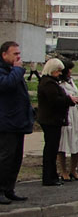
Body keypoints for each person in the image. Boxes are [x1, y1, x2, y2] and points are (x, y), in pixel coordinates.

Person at [0, 41, 33, 204]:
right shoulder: (5, 71)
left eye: (19, 54)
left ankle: (9, 189)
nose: (18, 57)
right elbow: (6, 85)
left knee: (15, 159)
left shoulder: (14, 71)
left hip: (18, 122)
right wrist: (18, 70)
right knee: (5, 158)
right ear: (4, 55)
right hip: (6, 123)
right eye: (15, 54)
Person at [36, 57, 78, 187]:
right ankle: (49, 177)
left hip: (52, 119)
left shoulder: (50, 82)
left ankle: (52, 175)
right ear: (52, 70)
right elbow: (55, 101)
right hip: (51, 120)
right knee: (51, 149)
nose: (60, 73)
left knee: (52, 148)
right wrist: (69, 100)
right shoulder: (49, 83)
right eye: (58, 71)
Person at [57, 60, 78, 181]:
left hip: (75, 113)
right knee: (63, 143)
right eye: (69, 69)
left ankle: (73, 169)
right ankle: (63, 170)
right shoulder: (60, 83)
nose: (71, 71)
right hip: (66, 113)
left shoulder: (71, 81)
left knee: (77, 141)